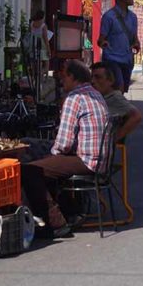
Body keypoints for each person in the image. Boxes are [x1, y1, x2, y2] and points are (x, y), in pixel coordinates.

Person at [21, 60, 109, 238]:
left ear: (72, 77)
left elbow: (64, 144)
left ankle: (55, 223)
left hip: (86, 160)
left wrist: (50, 156)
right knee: (35, 151)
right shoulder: (95, 94)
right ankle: (68, 211)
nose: (62, 81)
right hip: (98, 158)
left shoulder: (74, 98)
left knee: (29, 170)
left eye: (64, 76)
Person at [98, 0, 140, 93]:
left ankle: (116, 108)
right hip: (112, 59)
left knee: (122, 90)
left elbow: (134, 37)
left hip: (127, 59)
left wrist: (136, 43)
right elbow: (100, 39)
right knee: (118, 88)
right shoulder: (109, 16)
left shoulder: (133, 17)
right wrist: (103, 43)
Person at [91, 61, 142, 140]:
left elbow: (136, 116)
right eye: (92, 77)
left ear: (110, 81)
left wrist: (114, 138)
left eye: (98, 77)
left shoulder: (115, 98)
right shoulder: (98, 96)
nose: (93, 81)